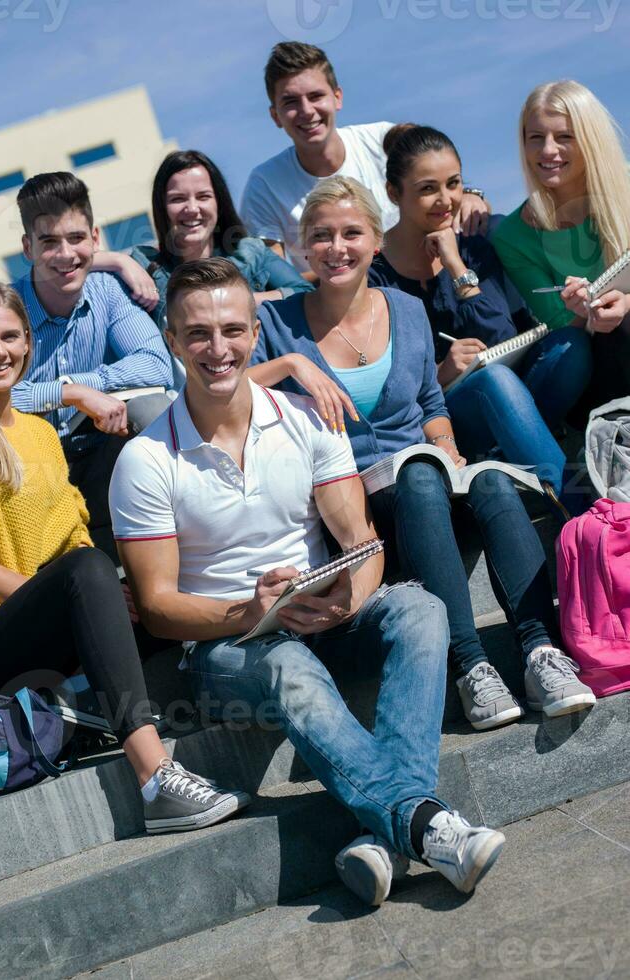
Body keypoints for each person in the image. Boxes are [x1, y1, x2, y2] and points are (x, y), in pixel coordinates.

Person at [109, 255, 506, 907]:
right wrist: (246, 611)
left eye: (233, 330)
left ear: (254, 333)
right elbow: (155, 609)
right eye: (199, 334)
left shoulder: (304, 419)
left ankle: (384, 833)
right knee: (287, 663)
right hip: (227, 654)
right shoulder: (145, 461)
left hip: (323, 615)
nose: (219, 348)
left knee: (418, 608)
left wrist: (350, 592)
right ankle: (426, 824)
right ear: (172, 342)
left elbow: (361, 544)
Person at [248, 177, 596, 731]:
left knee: (490, 482)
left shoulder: (405, 308)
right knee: (418, 480)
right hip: (354, 494)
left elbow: (431, 400)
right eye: (321, 236)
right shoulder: (277, 323)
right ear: (302, 249)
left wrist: (447, 445)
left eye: (351, 233)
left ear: (375, 241)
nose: (337, 247)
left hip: (427, 479)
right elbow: (229, 395)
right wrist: (293, 366)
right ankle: (471, 665)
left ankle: (540, 653)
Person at [0, 282, 247, 833]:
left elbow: (73, 538)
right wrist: (72, 597)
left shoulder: (42, 434)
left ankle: (245, 689)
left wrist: (112, 601)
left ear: (28, 343)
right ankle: (156, 779)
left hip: (53, 624)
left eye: (11, 337)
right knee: (91, 574)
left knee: (159, 599)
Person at [368, 124, 582, 503]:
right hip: (443, 419)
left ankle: (517, 448)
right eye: (427, 189)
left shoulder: (473, 246)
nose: (446, 200)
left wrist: (456, 267)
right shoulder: (374, 277)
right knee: (494, 382)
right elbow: (385, 388)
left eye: (454, 183)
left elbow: (501, 337)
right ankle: (570, 505)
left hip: (512, 391)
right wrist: (440, 373)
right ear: (393, 193)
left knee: (572, 347)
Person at [0, 172, 174, 557]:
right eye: (48, 242)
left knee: (156, 408)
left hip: (100, 453)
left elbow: (157, 365)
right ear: (27, 247)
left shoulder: (108, 291)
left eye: (76, 239)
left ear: (95, 239)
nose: (66, 255)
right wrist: (71, 393)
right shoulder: (0, 312)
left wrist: (90, 387)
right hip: (29, 475)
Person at [239, 41, 490, 275]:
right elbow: (274, 276)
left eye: (316, 96)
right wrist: (351, 270)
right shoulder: (264, 185)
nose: (306, 111)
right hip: (342, 298)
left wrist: (472, 196)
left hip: (426, 270)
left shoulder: (384, 141)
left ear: (337, 97)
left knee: (492, 227)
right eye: (291, 102)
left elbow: (445, 185)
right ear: (275, 115)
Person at [491, 80, 630, 408]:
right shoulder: (512, 235)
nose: (547, 150)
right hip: (594, 369)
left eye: (564, 137)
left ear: (590, 140)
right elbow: (560, 326)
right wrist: (581, 311)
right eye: (535, 138)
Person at [95, 149, 313, 337]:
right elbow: (75, 262)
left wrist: (244, 301)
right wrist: (119, 260)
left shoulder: (249, 251)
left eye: (203, 196)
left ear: (219, 201)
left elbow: (305, 292)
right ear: (162, 207)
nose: (192, 208)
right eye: (178, 199)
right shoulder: (145, 264)